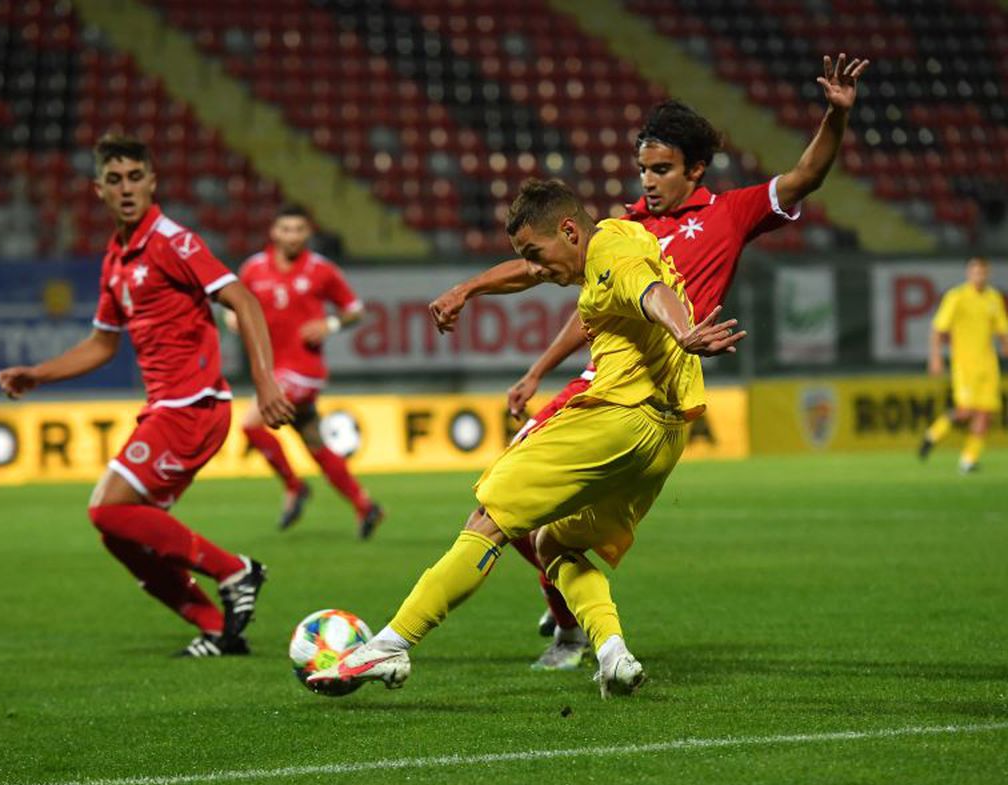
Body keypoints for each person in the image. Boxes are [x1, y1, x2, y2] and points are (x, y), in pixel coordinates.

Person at [429, 53, 869, 670]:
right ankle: (573, 620)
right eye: (642, 169)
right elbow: (566, 290)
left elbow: (804, 178)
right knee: (523, 517)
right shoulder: (623, 227)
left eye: (661, 169)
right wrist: (510, 337)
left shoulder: (730, 214)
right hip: (600, 385)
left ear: (696, 169)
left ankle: (568, 625)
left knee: (517, 516)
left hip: (656, 397)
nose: (648, 182)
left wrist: (835, 115)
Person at [307, 178, 745, 698]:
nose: (536, 267)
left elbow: (650, 294)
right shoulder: (620, 238)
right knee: (555, 543)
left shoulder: (610, 256)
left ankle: (388, 646)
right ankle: (612, 654)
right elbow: (538, 274)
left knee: (488, 520)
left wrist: (681, 331)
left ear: (568, 230)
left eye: (537, 252)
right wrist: (469, 288)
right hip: (663, 437)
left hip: (616, 418)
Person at [0, 134, 295, 657]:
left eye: (136, 177)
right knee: (119, 532)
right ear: (98, 190)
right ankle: (216, 629)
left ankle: (235, 571)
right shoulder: (117, 257)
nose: (127, 188)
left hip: (193, 405)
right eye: (115, 180)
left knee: (106, 510)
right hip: (166, 407)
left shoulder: (172, 242)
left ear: (153, 182)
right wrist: (39, 375)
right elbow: (101, 344)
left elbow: (243, 299)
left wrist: (265, 381)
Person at [233, 204, 385, 539]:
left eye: (298, 230)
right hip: (274, 368)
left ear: (308, 233)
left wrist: (329, 323)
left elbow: (355, 310)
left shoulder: (321, 270)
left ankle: (294, 487)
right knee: (315, 443)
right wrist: (235, 319)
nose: (291, 236)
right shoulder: (253, 269)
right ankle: (365, 504)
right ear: (274, 232)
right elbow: (235, 307)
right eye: (285, 229)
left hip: (304, 370)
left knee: (249, 423)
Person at [918, 257, 1008, 472]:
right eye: (975, 272)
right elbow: (938, 329)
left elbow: (1002, 327)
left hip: (988, 365)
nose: (979, 277)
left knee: (985, 413)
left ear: (988, 274)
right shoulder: (956, 297)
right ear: (969, 274)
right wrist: (936, 358)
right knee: (965, 411)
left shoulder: (994, 298)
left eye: (983, 273)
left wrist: (1005, 343)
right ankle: (933, 434)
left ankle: (968, 460)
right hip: (965, 365)